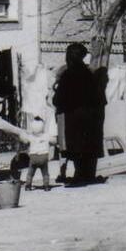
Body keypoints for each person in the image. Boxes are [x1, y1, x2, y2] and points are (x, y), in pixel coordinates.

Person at [51, 43, 107, 186]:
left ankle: (79, 176)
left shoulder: (68, 75)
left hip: (74, 118)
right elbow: (98, 98)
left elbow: (58, 99)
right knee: (88, 147)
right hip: (91, 118)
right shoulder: (90, 74)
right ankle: (88, 175)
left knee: (77, 147)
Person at [18, 116, 55, 190]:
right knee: (45, 173)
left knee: (30, 173)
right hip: (43, 156)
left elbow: (24, 140)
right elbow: (53, 141)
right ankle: (46, 186)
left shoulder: (30, 136)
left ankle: (28, 186)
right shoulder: (46, 136)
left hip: (33, 157)